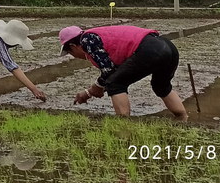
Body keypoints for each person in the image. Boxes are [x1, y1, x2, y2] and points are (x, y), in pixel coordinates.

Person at [59, 24, 189, 120]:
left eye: (70, 53)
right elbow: (116, 70)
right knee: (161, 86)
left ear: (73, 46)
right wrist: (91, 91)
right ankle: (182, 117)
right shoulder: (96, 36)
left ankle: (123, 122)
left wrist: (91, 90)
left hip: (150, 49)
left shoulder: (87, 41)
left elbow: (109, 72)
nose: (74, 56)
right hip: (167, 47)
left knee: (115, 84)